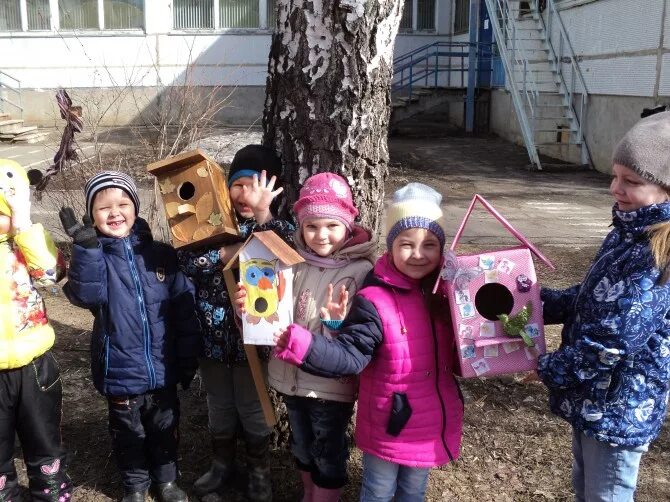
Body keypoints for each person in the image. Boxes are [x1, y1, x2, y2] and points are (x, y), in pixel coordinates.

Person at [274, 183, 464, 501]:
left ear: (442, 249)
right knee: (378, 490)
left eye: (430, 244)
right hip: (388, 420)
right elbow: (353, 354)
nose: (418, 254)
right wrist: (304, 344)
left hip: (429, 422)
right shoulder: (375, 298)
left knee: (414, 491)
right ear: (390, 246)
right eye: (406, 244)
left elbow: (464, 351)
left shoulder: (447, 296)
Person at [536, 111, 670, 501]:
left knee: (606, 494)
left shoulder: (656, 255)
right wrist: (536, 301)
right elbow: (593, 298)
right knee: (586, 488)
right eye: (615, 176)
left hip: (621, 404)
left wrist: (549, 369)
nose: (616, 188)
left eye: (633, 182)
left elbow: (613, 340)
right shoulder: (627, 232)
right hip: (596, 399)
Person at [60, 171, 201, 502]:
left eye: (123, 203)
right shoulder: (97, 258)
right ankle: (135, 485)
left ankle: (166, 481)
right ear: (91, 215)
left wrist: (187, 356)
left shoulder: (160, 254)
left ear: (136, 208)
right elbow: (86, 295)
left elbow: (183, 307)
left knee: (165, 426)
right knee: (127, 432)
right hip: (121, 368)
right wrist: (86, 250)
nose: (114, 212)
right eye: (104, 207)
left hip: (162, 366)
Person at [236, 172, 376, 501]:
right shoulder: (292, 262)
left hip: (330, 385)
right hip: (290, 377)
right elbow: (271, 309)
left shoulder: (361, 271)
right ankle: (308, 494)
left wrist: (336, 322)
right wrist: (248, 308)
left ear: (348, 225)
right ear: (301, 227)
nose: (321, 235)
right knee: (301, 444)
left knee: (328, 450)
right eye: (312, 227)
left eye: (331, 226)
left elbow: (362, 336)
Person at [178, 145, 293, 501]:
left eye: (257, 187)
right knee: (219, 403)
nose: (246, 194)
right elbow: (187, 260)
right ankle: (221, 464)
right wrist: (224, 254)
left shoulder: (274, 227)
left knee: (253, 405)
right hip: (211, 340)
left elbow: (285, 248)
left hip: (252, 344)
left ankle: (259, 471)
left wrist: (262, 215)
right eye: (239, 184)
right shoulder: (210, 225)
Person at [0, 159, 72, 502]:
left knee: (42, 435)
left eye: (6, 210)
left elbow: (50, 276)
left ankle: (50, 489)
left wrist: (24, 225)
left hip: (34, 364)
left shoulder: (28, 240)